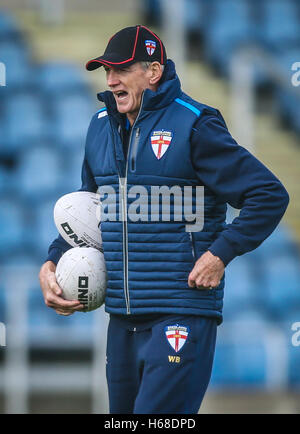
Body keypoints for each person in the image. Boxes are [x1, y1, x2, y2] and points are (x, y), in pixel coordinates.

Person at [39, 25, 289, 414]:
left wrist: (220, 253)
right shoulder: (99, 126)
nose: (111, 80)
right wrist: (53, 261)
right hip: (121, 317)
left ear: (153, 72)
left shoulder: (196, 125)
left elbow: (269, 194)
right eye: (106, 71)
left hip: (181, 311)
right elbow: (89, 209)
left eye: (121, 69)